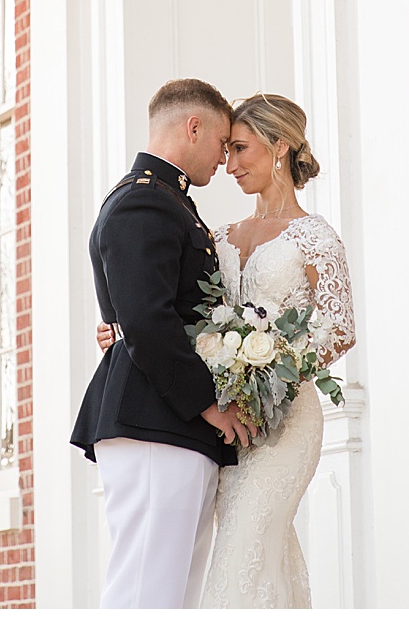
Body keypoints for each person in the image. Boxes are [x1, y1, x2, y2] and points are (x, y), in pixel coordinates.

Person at [95, 92, 356, 608]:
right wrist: (120, 328)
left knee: (245, 548)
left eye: (241, 149)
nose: (229, 164)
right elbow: (182, 311)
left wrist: (271, 370)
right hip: (225, 422)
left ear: (279, 146)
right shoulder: (219, 235)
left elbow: (339, 329)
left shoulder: (314, 236)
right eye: (226, 149)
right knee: (247, 558)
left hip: (280, 420)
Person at [70, 78, 258, 609]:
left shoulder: (167, 201)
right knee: (145, 591)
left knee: (171, 594)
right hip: (156, 417)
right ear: (193, 127)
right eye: (223, 143)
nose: (225, 159)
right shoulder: (145, 203)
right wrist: (208, 403)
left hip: (168, 419)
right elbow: (148, 321)